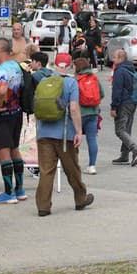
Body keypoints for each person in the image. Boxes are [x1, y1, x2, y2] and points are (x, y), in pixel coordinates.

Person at [34, 54, 94, 217]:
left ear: (55, 65)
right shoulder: (70, 83)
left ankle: (43, 206)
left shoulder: (43, 81)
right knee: (72, 169)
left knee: (46, 171)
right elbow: (74, 109)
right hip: (65, 135)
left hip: (44, 134)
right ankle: (80, 199)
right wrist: (79, 131)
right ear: (69, 66)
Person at [0, 38, 27, 204]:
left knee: (3, 151)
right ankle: (20, 189)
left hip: (3, 115)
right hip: (16, 112)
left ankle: (8, 192)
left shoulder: (2, 70)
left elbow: (2, 90)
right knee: (15, 149)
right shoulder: (15, 66)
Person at [109, 49, 137, 166]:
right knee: (127, 129)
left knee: (119, 130)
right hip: (132, 103)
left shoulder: (119, 71)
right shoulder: (130, 69)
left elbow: (117, 91)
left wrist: (114, 107)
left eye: (114, 57)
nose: (112, 59)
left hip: (123, 103)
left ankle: (135, 150)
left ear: (120, 58)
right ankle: (124, 156)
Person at [74, 55, 103, 173]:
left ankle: (74, 165)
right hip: (94, 113)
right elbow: (102, 94)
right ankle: (92, 166)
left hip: (80, 114)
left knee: (75, 139)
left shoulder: (76, 80)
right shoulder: (94, 78)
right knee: (92, 139)